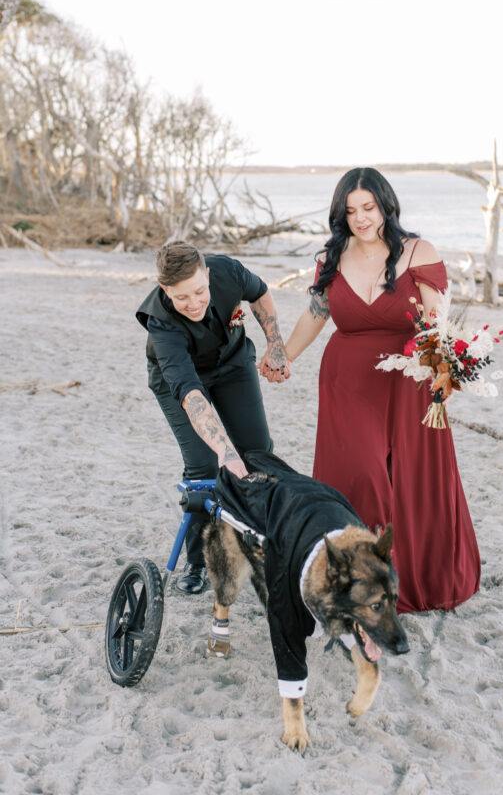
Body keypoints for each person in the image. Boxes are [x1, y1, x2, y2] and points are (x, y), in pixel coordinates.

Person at [275, 168, 480, 614]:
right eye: (350, 211)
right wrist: (285, 355)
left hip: (409, 381)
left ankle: (412, 577)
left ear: (386, 205)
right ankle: (356, 580)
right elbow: (315, 315)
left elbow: (437, 323)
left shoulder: (418, 252)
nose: (361, 218)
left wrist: (445, 368)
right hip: (347, 380)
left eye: (368, 207)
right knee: (359, 473)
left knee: (411, 478)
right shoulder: (332, 256)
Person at [136, 240, 289, 594]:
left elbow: (261, 292)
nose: (193, 304)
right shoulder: (161, 323)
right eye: (181, 297)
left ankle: (264, 544)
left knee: (259, 452)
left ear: (208, 275)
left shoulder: (228, 272)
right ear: (165, 290)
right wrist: (225, 451)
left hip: (233, 364)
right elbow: (191, 396)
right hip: (182, 383)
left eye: (199, 292)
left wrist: (275, 343)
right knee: (204, 465)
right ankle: (199, 562)